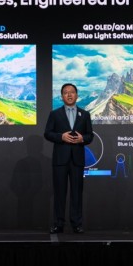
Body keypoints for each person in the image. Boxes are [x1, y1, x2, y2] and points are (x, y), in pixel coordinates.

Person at [44, 83, 93, 234]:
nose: (69, 94)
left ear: (77, 95)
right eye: (66, 92)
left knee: (77, 193)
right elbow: (47, 133)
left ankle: (77, 224)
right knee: (59, 193)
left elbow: (90, 135)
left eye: (72, 92)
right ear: (62, 96)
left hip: (77, 160)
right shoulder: (55, 114)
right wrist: (61, 137)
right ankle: (58, 224)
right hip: (60, 160)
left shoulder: (85, 114)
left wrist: (82, 139)